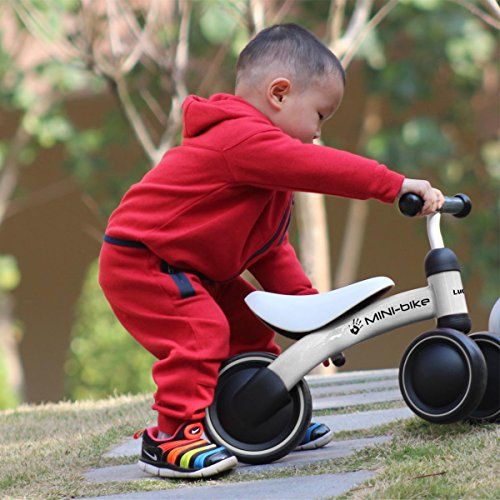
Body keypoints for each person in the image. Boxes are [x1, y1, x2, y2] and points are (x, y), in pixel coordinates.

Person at [98, 23, 444, 479]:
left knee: (249, 332)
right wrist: (393, 185)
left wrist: (313, 320)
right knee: (200, 334)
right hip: (144, 259)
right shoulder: (241, 140)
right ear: (279, 94)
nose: (318, 134)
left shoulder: (264, 175)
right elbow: (321, 168)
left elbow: (270, 252)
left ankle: (262, 417)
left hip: (197, 270)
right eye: (320, 115)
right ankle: (170, 437)